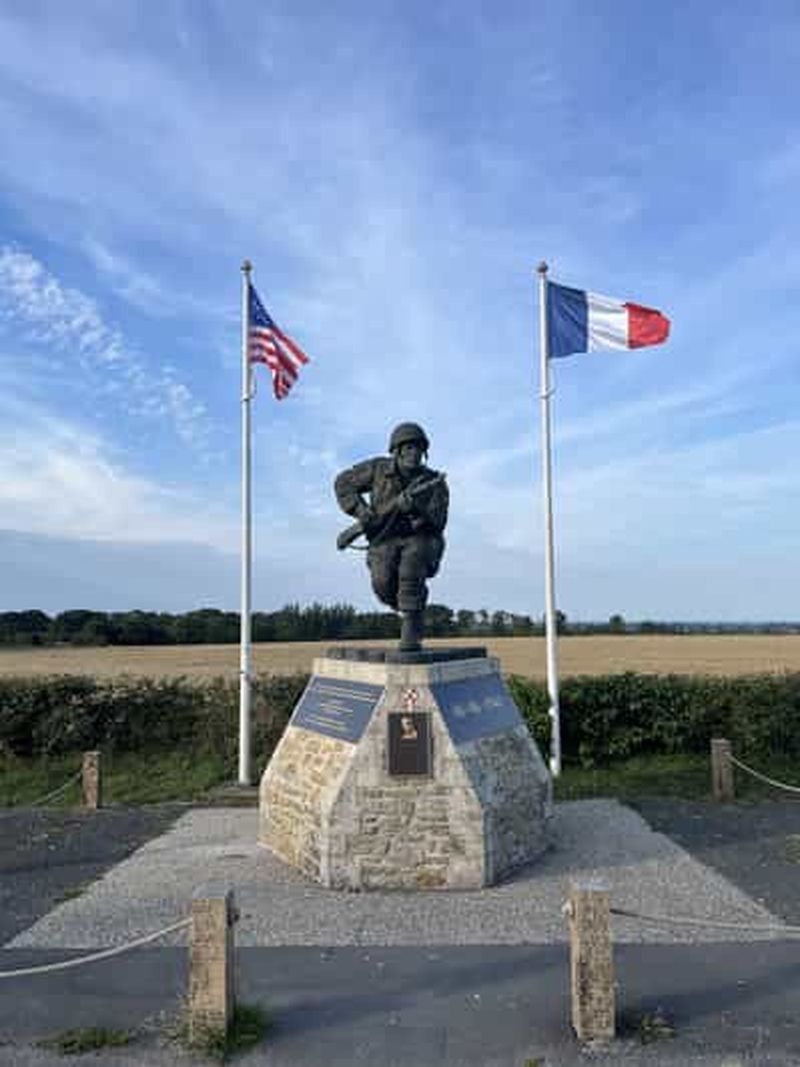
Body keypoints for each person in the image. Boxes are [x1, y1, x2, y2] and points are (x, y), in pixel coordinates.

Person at [334, 422, 448, 651]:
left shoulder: (434, 483)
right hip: (383, 539)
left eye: (417, 448)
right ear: (396, 450)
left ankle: (411, 626)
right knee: (383, 583)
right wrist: (361, 511)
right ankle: (412, 607)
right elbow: (343, 483)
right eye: (407, 448)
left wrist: (416, 510)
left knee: (410, 570)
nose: (412, 453)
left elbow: (438, 521)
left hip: (420, 539)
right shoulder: (378, 469)